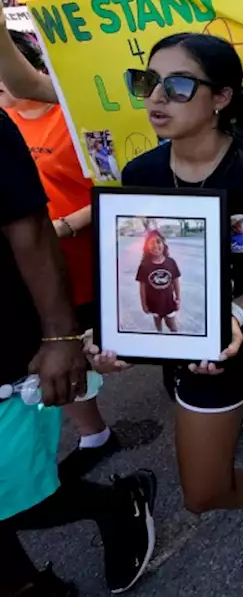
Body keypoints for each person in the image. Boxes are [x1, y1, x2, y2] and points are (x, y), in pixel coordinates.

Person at [105, 32, 243, 596]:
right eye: (147, 82)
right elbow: (140, 267)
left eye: (178, 85)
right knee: (202, 492)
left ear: (222, 98)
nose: (157, 97)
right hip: (197, 359)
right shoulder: (142, 174)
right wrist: (116, 334)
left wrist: (233, 313)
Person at [0, 110, 157, 597]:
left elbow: (29, 225)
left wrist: (60, 336)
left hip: (7, 353)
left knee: (18, 499)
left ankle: (116, 503)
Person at [0, 31, 118, 479]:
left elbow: (114, 182)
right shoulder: (6, 123)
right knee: (64, 351)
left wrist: (67, 225)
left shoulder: (75, 118)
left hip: (95, 255)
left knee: (123, 341)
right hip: (44, 270)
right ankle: (94, 434)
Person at [136, 232, 181, 333]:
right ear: (147, 247)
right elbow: (142, 287)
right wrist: (143, 304)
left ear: (164, 245)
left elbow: (176, 281)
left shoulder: (171, 262)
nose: (155, 245)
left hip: (169, 303)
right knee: (158, 327)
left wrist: (178, 298)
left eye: (158, 242)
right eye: (151, 243)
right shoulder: (144, 266)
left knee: (173, 327)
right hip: (153, 304)